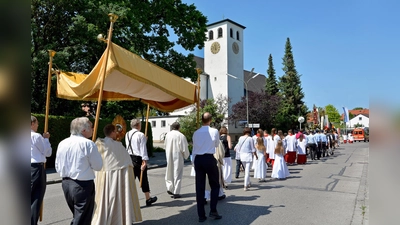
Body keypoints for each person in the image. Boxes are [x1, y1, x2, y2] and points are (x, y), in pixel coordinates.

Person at [55, 117, 103, 225]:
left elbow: (57, 166)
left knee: (78, 216)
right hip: (82, 184)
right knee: (82, 218)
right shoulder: (88, 144)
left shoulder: (62, 143)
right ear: (83, 130)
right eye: (91, 126)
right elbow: (98, 166)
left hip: (66, 183)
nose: (93, 129)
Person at [92, 124, 142, 224]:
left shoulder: (98, 144)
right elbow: (127, 162)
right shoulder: (118, 145)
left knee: (104, 199)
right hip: (116, 177)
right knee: (117, 198)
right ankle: (120, 219)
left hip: (102, 177)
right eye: (116, 131)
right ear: (113, 132)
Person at [192, 112, 222, 222]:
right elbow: (216, 145)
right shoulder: (214, 131)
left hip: (198, 159)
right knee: (215, 185)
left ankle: (201, 215)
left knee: (199, 187)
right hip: (209, 158)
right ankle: (213, 210)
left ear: (202, 120)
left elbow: (194, 146)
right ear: (210, 120)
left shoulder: (196, 133)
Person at [125, 119, 157, 206]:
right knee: (143, 179)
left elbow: (133, 145)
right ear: (138, 125)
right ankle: (148, 198)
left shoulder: (127, 134)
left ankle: (127, 200)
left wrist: (144, 140)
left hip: (129, 157)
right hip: (138, 159)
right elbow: (143, 149)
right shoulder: (140, 135)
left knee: (131, 180)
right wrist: (145, 161)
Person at [31, 115, 52, 225]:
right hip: (35, 169)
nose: (38, 126)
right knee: (35, 198)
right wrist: (46, 139)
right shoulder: (35, 136)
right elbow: (47, 152)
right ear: (32, 124)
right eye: (37, 124)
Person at [164, 122, 190, 199]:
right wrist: (186, 155)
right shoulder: (181, 136)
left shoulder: (168, 135)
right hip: (177, 155)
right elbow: (184, 148)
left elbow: (165, 145)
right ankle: (176, 192)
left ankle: (169, 187)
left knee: (169, 171)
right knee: (177, 173)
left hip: (169, 153)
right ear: (179, 127)